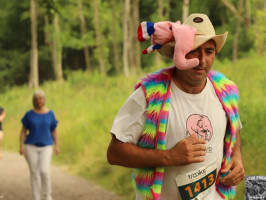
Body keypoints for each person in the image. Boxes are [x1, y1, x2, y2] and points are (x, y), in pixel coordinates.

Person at [107, 13, 244, 200]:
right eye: (194, 50)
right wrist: (169, 156)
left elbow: (233, 129)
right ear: (177, 51)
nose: (202, 60)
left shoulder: (226, 90)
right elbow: (115, 153)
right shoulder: (149, 95)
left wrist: (236, 158)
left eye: (209, 51)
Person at [19, 90, 59, 200]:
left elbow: (54, 130)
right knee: (34, 172)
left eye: (41, 98)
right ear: (34, 100)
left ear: (44, 100)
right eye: (37, 99)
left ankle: (47, 195)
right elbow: (23, 131)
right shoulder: (29, 114)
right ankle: (36, 197)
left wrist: (57, 145)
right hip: (30, 146)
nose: (39, 101)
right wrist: (21, 146)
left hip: (46, 146)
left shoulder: (50, 114)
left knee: (44, 171)